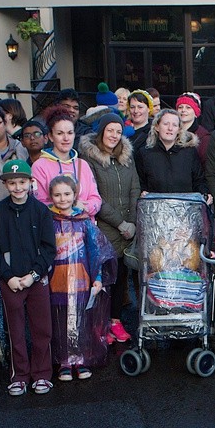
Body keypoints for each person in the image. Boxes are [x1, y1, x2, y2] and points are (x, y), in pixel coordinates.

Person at [0, 160, 56, 396]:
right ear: (5, 184)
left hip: (36, 279)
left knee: (42, 328)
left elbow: (48, 248)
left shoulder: (41, 211)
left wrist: (34, 275)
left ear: (30, 182)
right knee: (15, 330)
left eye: (22, 182)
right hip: (11, 281)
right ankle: (19, 375)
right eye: (12, 183)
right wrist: (8, 276)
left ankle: (42, 374)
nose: (18, 187)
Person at [79, 112, 142, 344]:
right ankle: (100, 324)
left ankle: (115, 321)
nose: (114, 135)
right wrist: (120, 223)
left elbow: (135, 187)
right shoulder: (90, 159)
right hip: (105, 227)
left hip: (128, 227)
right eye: (110, 130)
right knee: (104, 279)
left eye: (118, 131)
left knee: (122, 278)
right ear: (101, 131)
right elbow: (95, 196)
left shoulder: (127, 156)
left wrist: (133, 221)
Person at [47, 175, 116, 382]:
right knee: (60, 322)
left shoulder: (84, 221)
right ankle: (64, 361)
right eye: (57, 195)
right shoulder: (48, 221)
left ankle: (81, 360)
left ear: (75, 195)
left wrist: (97, 277)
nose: (62, 199)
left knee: (81, 321)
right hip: (57, 281)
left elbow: (95, 251)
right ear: (50, 196)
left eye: (67, 194)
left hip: (81, 280)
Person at [32, 108, 102, 218]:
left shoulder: (82, 164)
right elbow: (38, 204)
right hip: (55, 231)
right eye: (60, 133)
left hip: (84, 230)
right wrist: (68, 208)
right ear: (50, 136)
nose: (66, 138)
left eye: (70, 133)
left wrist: (85, 208)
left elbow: (96, 199)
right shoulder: (40, 166)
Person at [135, 109, 208, 198]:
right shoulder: (144, 154)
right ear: (157, 127)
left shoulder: (189, 152)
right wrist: (142, 192)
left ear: (179, 129)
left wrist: (205, 194)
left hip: (185, 208)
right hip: (155, 208)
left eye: (174, 125)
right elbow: (139, 183)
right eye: (166, 124)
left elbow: (199, 181)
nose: (170, 128)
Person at [176, 92, 211, 165]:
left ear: (196, 113)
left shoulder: (204, 137)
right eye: (180, 107)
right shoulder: (171, 132)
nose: (183, 110)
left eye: (188, 107)